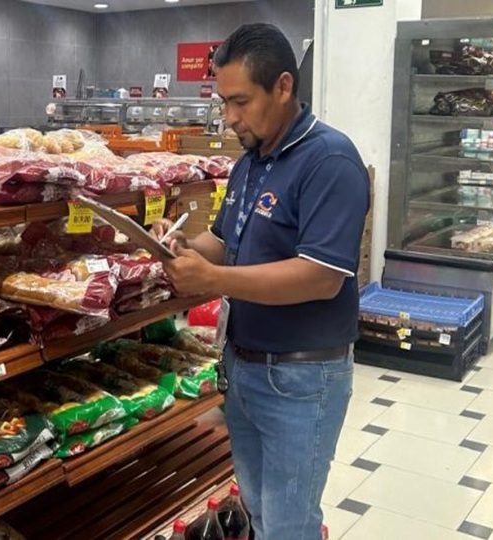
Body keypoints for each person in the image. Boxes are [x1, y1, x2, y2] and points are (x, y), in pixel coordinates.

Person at [153, 23, 370, 540]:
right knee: (258, 511)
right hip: (243, 368)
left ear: (284, 87)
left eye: (241, 101)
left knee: (288, 526)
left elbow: (319, 278)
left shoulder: (331, 160)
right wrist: (181, 248)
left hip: (301, 381)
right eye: (223, 101)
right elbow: (225, 240)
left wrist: (214, 278)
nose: (230, 117)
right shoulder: (250, 162)